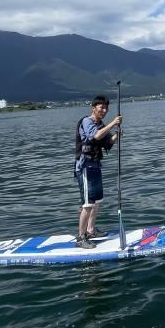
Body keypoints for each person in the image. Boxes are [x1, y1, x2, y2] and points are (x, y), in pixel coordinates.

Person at [74, 95, 122, 249]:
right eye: (101, 107)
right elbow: (95, 135)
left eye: (106, 108)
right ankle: (81, 238)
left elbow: (108, 143)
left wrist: (117, 135)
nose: (104, 110)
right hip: (85, 167)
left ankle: (90, 230)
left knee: (97, 201)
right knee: (87, 204)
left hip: (95, 166)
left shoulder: (101, 124)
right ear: (93, 108)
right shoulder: (86, 121)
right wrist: (113, 123)